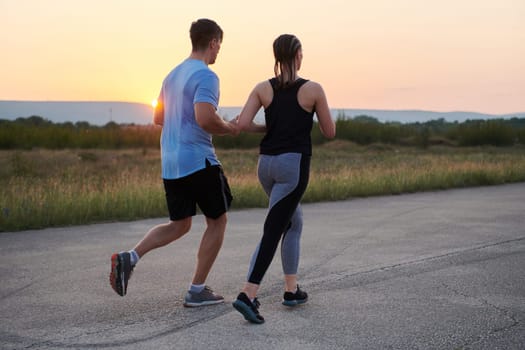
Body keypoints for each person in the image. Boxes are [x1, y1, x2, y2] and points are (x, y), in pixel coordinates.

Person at [109, 18, 239, 307]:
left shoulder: (172, 75)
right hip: (198, 160)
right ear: (214, 42)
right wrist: (228, 127)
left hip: (171, 162)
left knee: (179, 224)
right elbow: (206, 118)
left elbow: (158, 117)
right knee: (218, 221)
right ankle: (197, 290)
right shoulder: (206, 76)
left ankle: (130, 257)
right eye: (220, 46)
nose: (219, 52)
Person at [232, 34, 336, 323]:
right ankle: (248, 294)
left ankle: (291, 290)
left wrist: (269, 127)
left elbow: (242, 124)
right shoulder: (313, 89)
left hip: (266, 166)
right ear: (299, 55)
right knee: (274, 228)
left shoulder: (262, 88)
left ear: (276, 56)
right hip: (293, 166)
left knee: (293, 222)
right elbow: (329, 131)